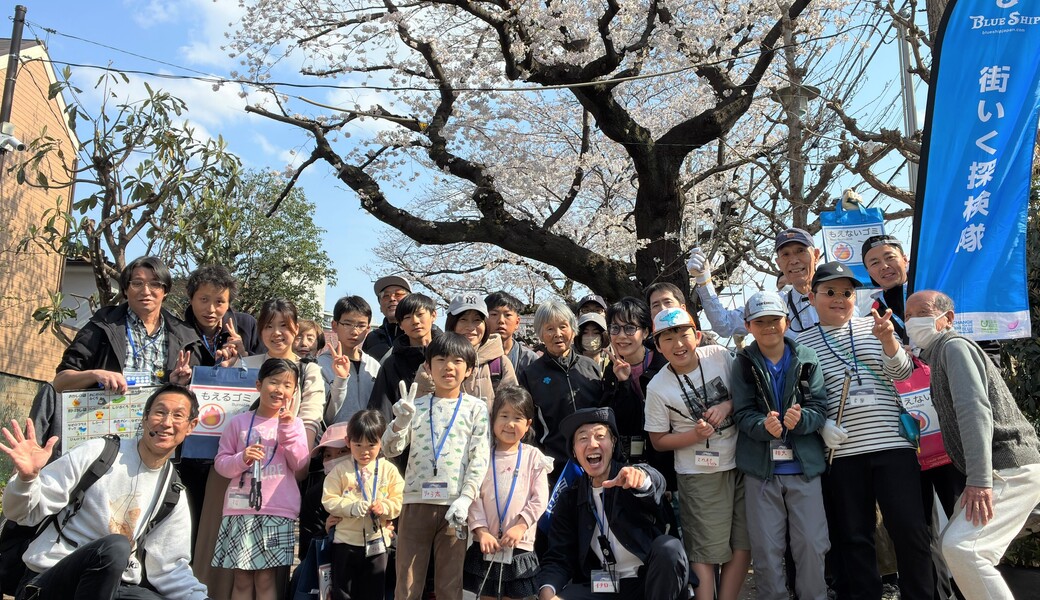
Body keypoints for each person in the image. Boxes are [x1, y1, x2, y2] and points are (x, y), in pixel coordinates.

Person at [796, 262, 934, 600]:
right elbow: (798, 397)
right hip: (842, 454)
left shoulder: (875, 325)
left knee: (910, 530)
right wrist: (820, 425)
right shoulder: (799, 343)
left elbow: (901, 373)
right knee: (854, 537)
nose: (840, 298)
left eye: (846, 292)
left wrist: (888, 341)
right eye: (830, 292)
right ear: (812, 297)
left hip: (893, 446)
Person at [0, 384, 209, 600]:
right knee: (116, 546)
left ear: (190, 426)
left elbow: (170, 570)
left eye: (178, 415)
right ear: (145, 417)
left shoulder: (173, 491)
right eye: (160, 412)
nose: (166, 423)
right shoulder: (99, 453)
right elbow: (23, 513)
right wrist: (27, 480)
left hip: (112, 585)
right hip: (50, 579)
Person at [905, 290, 1040, 600]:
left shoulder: (953, 347)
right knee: (955, 545)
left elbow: (973, 411)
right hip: (1002, 468)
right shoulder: (938, 354)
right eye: (909, 316)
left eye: (921, 312)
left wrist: (979, 481)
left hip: (1008, 467)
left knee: (963, 548)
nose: (913, 321)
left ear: (947, 318)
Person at [643, 307, 748, 600]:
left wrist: (726, 406)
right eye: (667, 338)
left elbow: (744, 395)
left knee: (743, 542)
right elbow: (658, 440)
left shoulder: (719, 356)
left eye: (683, 334)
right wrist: (694, 435)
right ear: (658, 347)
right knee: (705, 549)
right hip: (699, 474)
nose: (678, 344)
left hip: (740, 463)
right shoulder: (657, 387)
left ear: (697, 336)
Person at [731, 291, 830, 600]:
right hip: (761, 472)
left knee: (813, 545)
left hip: (804, 468)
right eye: (760, 322)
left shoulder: (806, 358)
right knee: (766, 549)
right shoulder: (743, 362)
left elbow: (819, 409)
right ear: (748, 326)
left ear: (786, 322)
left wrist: (801, 421)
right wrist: (764, 426)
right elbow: (742, 413)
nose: (769, 327)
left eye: (775, 320)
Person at [536, 406, 691, 600]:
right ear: (574, 452)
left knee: (669, 547)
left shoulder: (629, 477)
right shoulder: (570, 498)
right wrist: (547, 591)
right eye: (583, 438)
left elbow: (655, 484)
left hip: (649, 583)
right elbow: (559, 557)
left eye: (600, 436)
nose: (592, 444)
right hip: (604, 586)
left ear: (613, 442)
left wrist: (641, 479)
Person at [382, 332, 490, 600]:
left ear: (469, 369)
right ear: (428, 367)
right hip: (415, 502)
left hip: (455, 505)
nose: (448, 367)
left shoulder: (476, 408)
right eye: (440, 359)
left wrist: (466, 498)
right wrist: (399, 423)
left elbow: (480, 457)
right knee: (406, 583)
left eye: (457, 361)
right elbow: (390, 449)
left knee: (449, 584)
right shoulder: (414, 405)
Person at [212, 358, 310, 600]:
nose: (280, 389)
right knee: (242, 578)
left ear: (294, 391)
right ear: (258, 385)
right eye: (273, 382)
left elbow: (300, 464)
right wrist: (241, 458)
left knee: (266, 577)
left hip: (276, 510)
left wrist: (286, 430)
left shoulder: (295, 424)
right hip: (240, 510)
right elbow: (221, 465)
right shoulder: (239, 422)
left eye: (287, 385)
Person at [53, 256, 199, 395]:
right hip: (109, 417)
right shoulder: (102, 326)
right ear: (125, 289)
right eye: (137, 283)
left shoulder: (184, 335)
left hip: (161, 419)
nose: (145, 291)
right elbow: (60, 382)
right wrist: (96, 374)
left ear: (165, 291)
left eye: (155, 284)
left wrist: (176, 384)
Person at [464, 385, 552, 600]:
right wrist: (481, 531)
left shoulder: (533, 457)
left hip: (518, 544)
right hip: (486, 544)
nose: (510, 424)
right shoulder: (482, 457)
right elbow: (472, 495)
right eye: (504, 415)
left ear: (528, 423)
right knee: (486, 595)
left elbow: (540, 498)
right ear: (493, 419)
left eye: (518, 418)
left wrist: (521, 526)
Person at [322, 409, 405, 600]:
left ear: (381, 442)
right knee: (343, 592)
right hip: (345, 543)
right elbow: (329, 499)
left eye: (371, 444)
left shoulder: (388, 470)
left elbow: (399, 500)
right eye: (358, 444)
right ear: (347, 442)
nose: (364, 451)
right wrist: (350, 507)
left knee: (374, 592)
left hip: (378, 543)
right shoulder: (341, 471)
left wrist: (384, 507)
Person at [516, 300, 603, 475]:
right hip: (555, 466)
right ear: (540, 333)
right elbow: (529, 425)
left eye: (563, 326)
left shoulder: (590, 367)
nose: (558, 334)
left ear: (573, 329)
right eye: (549, 329)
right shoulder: (531, 374)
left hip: (595, 461)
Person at [687, 227, 823, 339]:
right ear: (779, 263)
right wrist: (704, 280)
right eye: (786, 255)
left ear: (816, 255)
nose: (794, 260)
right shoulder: (774, 303)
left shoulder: (836, 296)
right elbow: (724, 324)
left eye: (800, 251)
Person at [600, 297, 675, 491]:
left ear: (646, 332)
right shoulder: (612, 371)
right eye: (615, 328)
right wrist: (624, 383)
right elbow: (623, 421)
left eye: (630, 328)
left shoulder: (665, 364)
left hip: (671, 459)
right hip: (634, 464)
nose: (621, 336)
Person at [415, 294, 518, 410]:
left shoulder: (499, 363)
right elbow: (420, 412)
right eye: (463, 319)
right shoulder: (432, 363)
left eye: (477, 320)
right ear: (452, 323)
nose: (470, 327)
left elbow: (511, 412)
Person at [367, 293, 441, 426]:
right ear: (400, 325)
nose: (415, 321)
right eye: (407, 317)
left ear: (433, 315)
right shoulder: (392, 364)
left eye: (420, 314)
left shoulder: (448, 355)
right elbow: (381, 409)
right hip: (402, 439)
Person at [183, 264, 263, 367]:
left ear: (229, 304)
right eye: (204, 299)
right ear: (191, 299)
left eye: (219, 301)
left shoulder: (247, 326)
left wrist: (244, 356)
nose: (211, 309)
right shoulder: (178, 334)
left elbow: (267, 370)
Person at [319, 296, 381, 427]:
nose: (354, 331)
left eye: (361, 325)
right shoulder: (321, 365)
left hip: (367, 442)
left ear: (368, 329)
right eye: (347, 324)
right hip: (333, 441)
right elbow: (322, 415)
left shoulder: (373, 366)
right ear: (334, 325)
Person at [298, 422, 352, 561]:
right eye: (328, 455)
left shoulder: (378, 484)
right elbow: (305, 551)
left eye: (342, 452)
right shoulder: (315, 495)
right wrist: (325, 531)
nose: (334, 460)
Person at [485, 291, 538, 376]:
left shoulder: (530, 359)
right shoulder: (474, 356)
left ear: (517, 322)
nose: (501, 321)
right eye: (494, 314)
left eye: (507, 315)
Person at [362, 275, 411, 361]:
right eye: (385, 295)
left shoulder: (424, 331)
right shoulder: (372, 338)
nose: (392, 298)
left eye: (398, 294)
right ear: (380, 307)